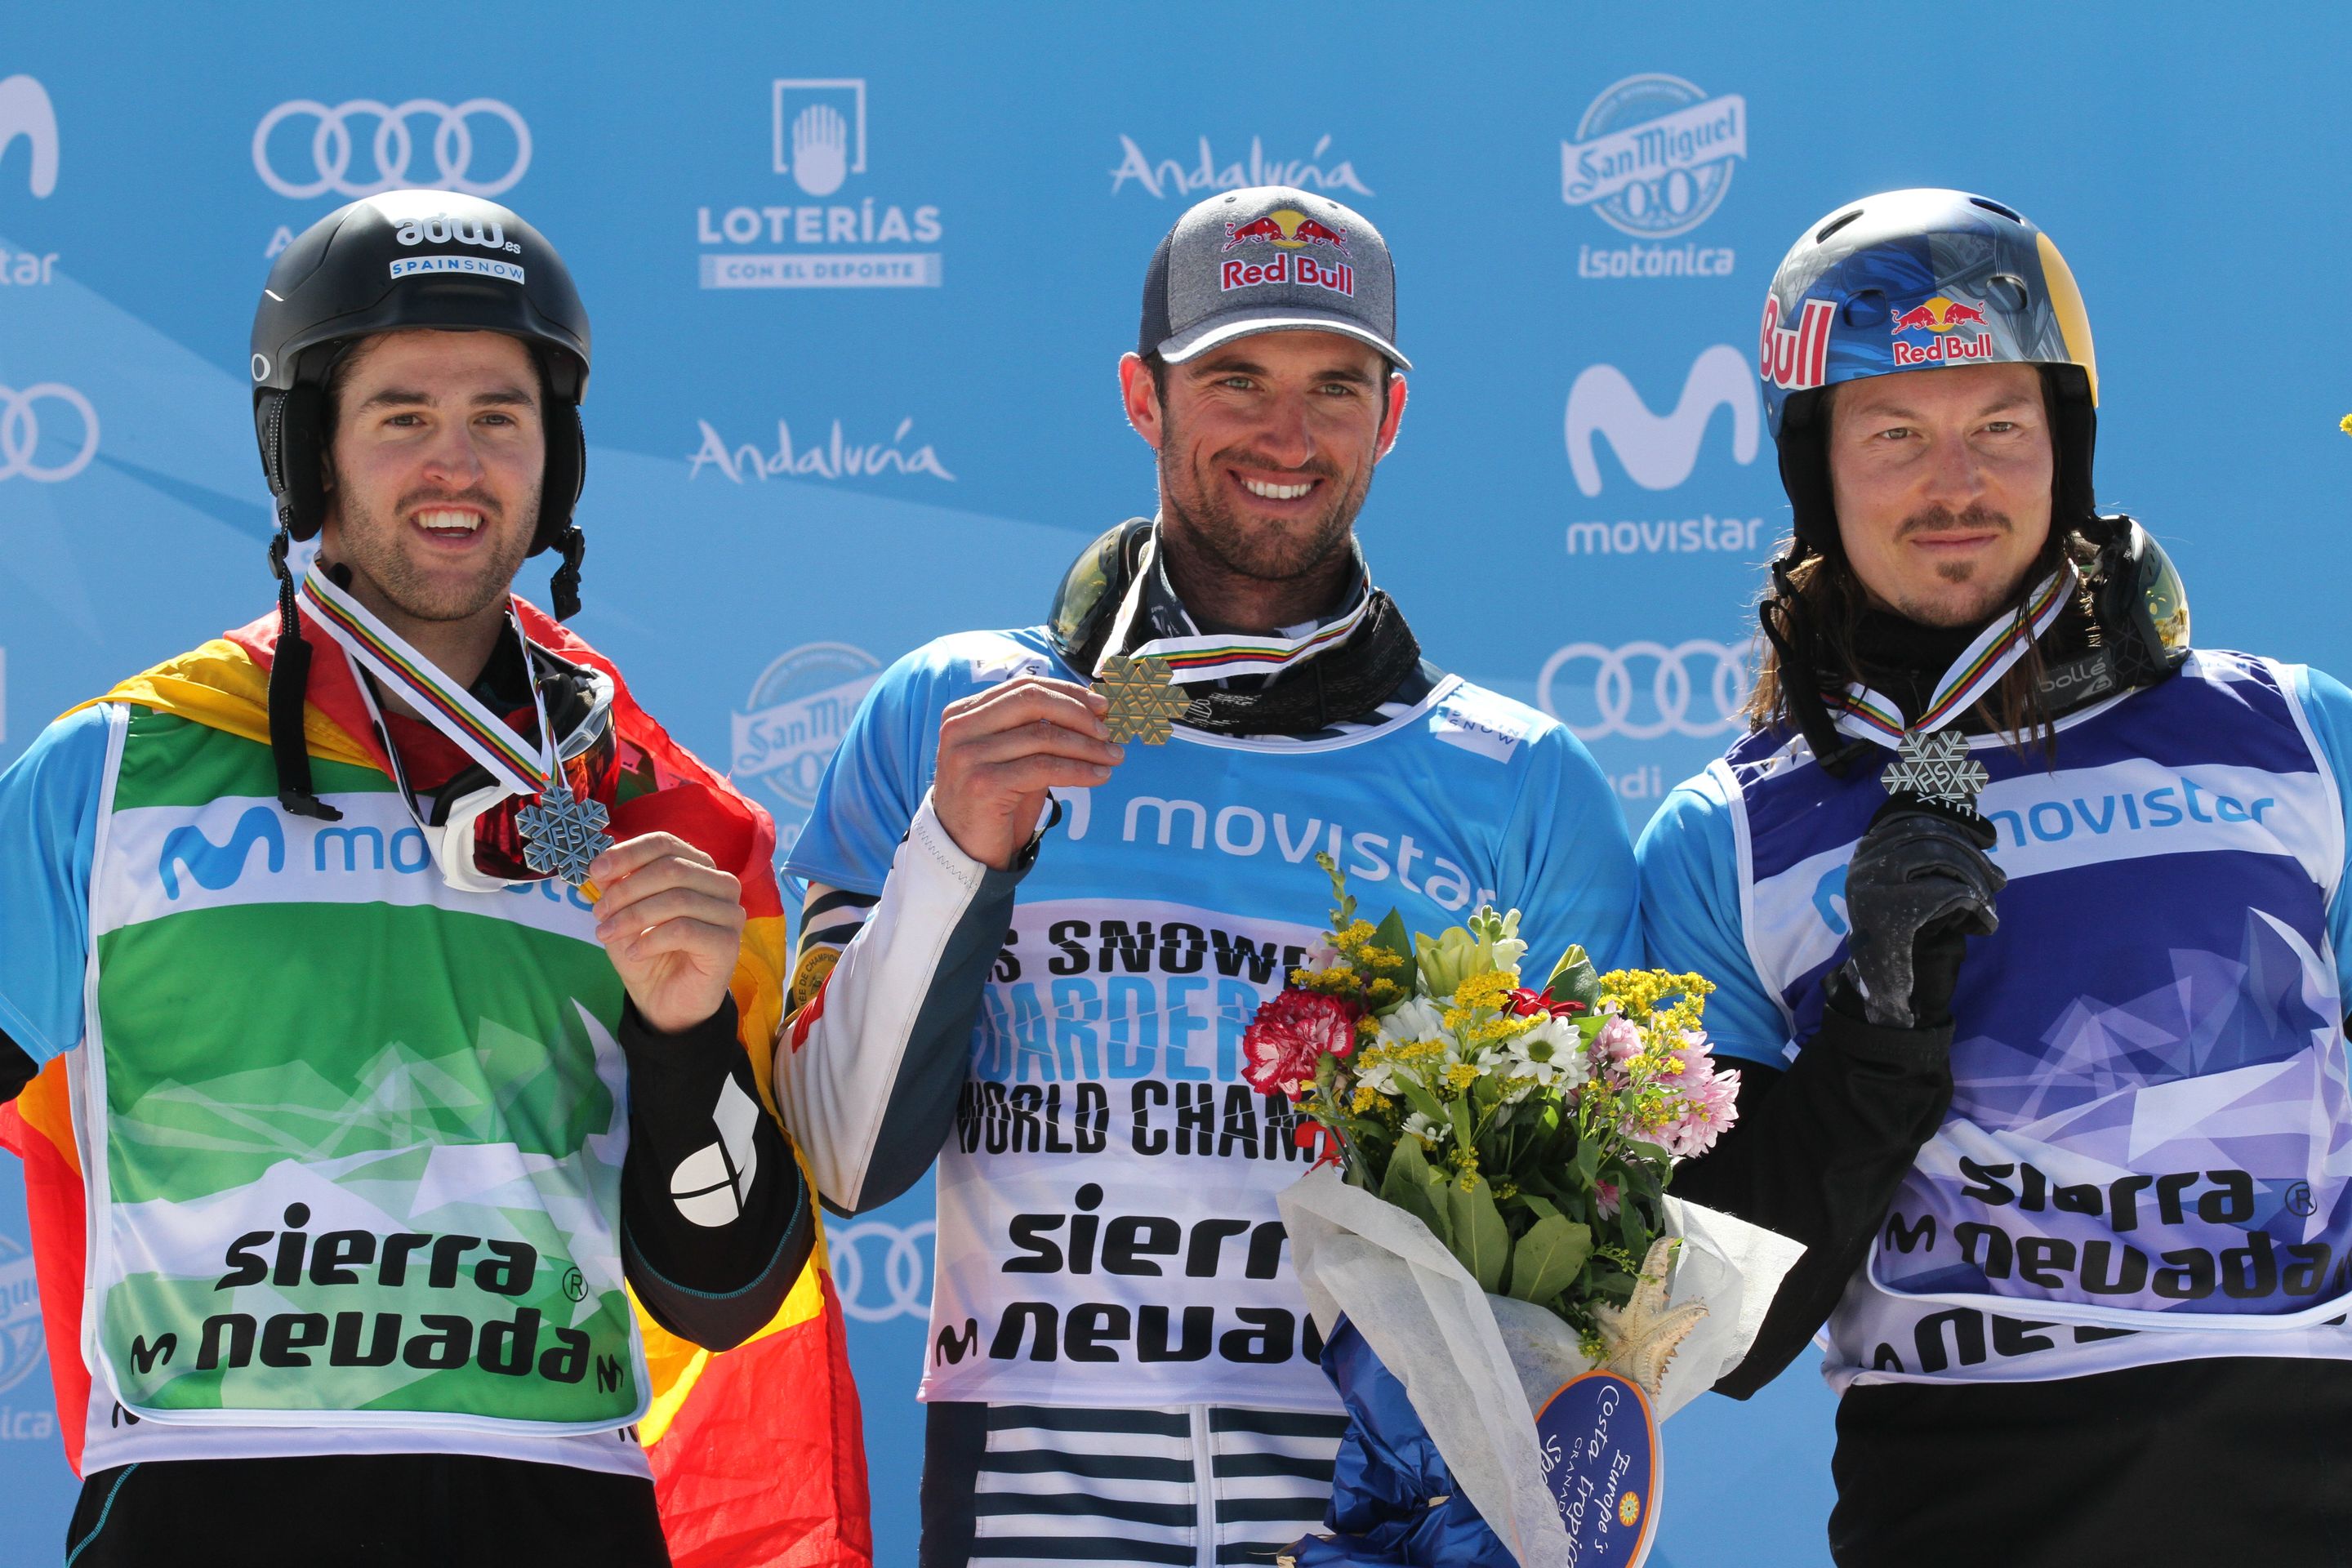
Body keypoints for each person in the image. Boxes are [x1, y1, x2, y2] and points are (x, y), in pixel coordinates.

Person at [772, 185, 1640, 1567]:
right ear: (1144, 395)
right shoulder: (955, 713)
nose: (1286, 436)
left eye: (1334, 387)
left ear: (1391, 416)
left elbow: (1603, 1271)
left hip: (1373, 1507)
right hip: (1034, 1501)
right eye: (1237, 377)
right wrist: (954, 848)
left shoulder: (1521, 780)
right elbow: (836, 1154)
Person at [0, 191, 866, 1566]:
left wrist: (691, 1032)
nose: (455, 467)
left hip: (550, 1497)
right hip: (206, 1494)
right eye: (402, 415)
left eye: (499, 417)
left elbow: (725, 1291)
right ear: (309, 452)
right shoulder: (107, 774)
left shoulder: (666, 822)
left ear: (558, 458)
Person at [1642, 187, 2352, 1565]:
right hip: (1963, 1505)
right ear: (1817, 467)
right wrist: (1878, 1037)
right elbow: (1714, 1340)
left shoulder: (2299, 738)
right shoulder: (1724, 838)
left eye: (1999, 428)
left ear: (2066, 450)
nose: (1953, 482)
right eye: (1895, 432)